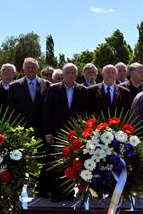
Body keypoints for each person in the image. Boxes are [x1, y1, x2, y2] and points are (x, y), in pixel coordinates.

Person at [42, 63, 89, 201]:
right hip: (57, 132)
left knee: (73, 163)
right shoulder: (53, 89)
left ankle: (69, 193)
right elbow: (46, 111)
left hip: (76, 134)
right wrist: (48, 132)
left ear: (77, 74)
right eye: (67, 72)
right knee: (57, 163)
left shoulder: (83, 90)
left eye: (73, 72)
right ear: (63, 74)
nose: (70, 75)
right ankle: (56, 193)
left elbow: (86, 113)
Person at [7, 57, 49, 134]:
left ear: (37, 68)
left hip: (42, 128)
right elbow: (10, 108)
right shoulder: (14, 86)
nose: (30, 69)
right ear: (23, 68)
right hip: (21, 128)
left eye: (33, 67)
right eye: (27, 67)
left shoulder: (47, 84)